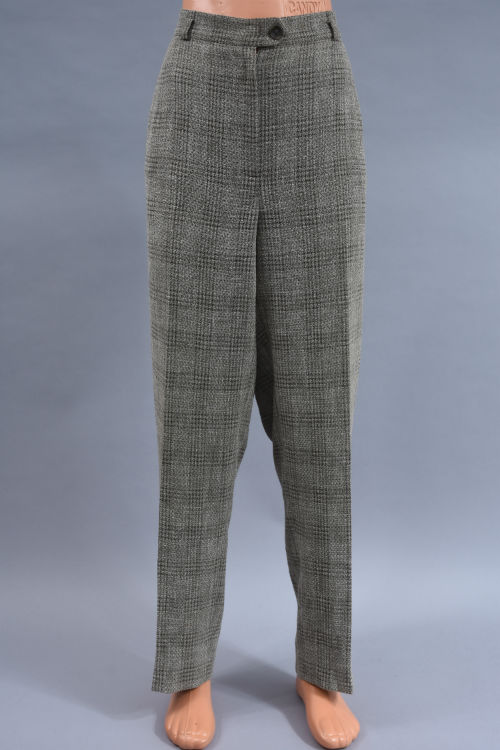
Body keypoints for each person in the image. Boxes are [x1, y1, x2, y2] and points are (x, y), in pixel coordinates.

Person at [145, 1, 366, 746]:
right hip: (200, 80)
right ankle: (189, 666)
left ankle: (322, 668)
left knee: (320, 408)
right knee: (195, 410)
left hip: (313, 78)